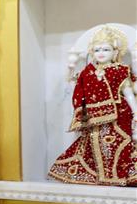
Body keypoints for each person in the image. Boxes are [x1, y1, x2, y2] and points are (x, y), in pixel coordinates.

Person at [48, 26, 137, 186]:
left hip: (119, 115)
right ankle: (101, 177)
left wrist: (136, 112)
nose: (101, 53)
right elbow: (75, 88)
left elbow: (129, 92)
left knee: (121, 144)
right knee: (94, 144)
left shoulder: (121, 70)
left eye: (106, 49)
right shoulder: (86, 72)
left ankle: (121, 177)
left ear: (115, 52)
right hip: (94, 117)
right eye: (97, 50)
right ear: (92, 53)